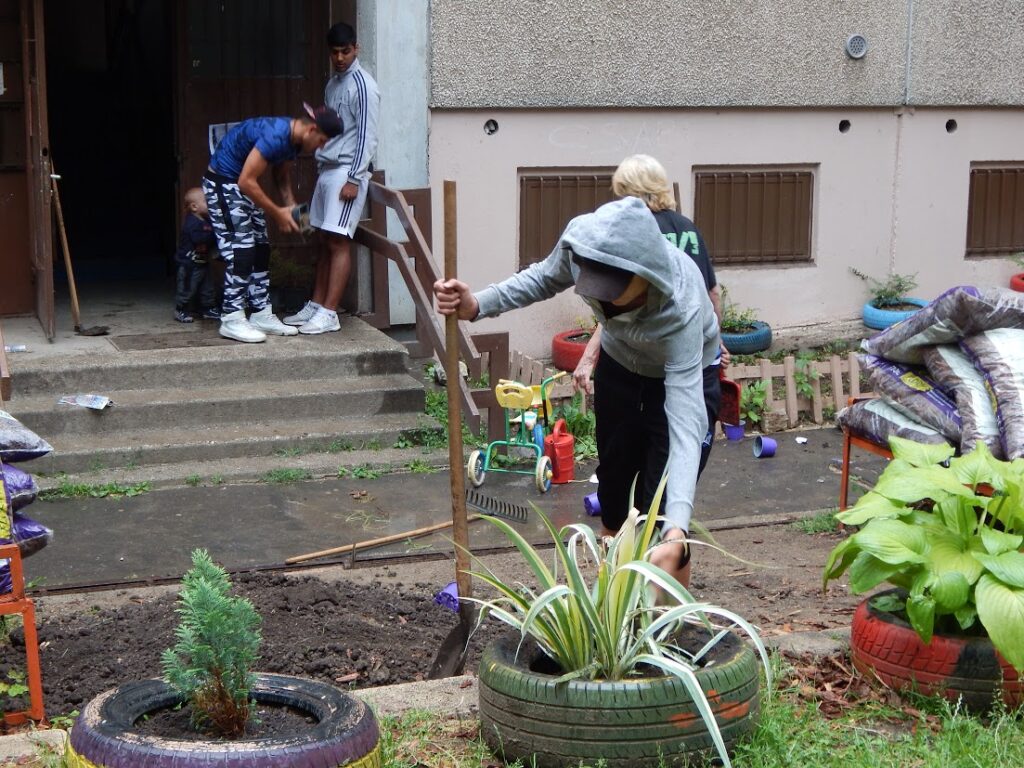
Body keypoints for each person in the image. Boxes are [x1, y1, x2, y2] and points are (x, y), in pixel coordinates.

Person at [433, 197, 719, 586]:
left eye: (612, 290)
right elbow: (540, 279)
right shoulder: (586, 252)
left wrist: (677, 533)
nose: (600, 299)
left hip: (683, 376)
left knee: (662, 512)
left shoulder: (681, 305)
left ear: (645, 275)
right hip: (621, 368)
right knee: (616, 498)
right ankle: (613, 616)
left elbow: (686, 421)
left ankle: (669, 624)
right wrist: (476, 304)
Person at [574, 154, 728, 486]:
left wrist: (590, 355)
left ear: (633, 192)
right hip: (690, 357)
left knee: (632, 454)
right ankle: (665, 523)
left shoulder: (635, 236)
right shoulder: (688, 229)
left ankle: (639, 526)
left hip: (645, 365)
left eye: (622, 192)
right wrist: (715, 341)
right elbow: (711, 294)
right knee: (672, 452)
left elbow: (623, 309)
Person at [203, 106, 342, 343]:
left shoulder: (294, 142)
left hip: (241, 186)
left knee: (261, 248)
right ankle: (231, 317)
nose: (321, 148)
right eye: (321, 141)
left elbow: (280, 176)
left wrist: (292, 209)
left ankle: (260, 313)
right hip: (224, 184)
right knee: (241, 250)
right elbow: (246, 181)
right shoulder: (276, 135)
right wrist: (278, 213)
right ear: (311, 129)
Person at [284, 22, 380, 334]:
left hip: (346, 172)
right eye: (335, 52)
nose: (340, 58)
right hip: (327, 170)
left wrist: (354, 177)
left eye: (346, 51)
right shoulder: (332, 84)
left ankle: (329, 312)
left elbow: (367, 135)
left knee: (338, 240)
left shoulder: (364, 85)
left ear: (356, 48)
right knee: (322, 239)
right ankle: (317, 303)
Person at [173, 188, 220, 324]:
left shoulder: (206, 221)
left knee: (208, 287)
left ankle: (208, 308)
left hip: (203, 263)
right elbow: (199, 239)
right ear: (194, 206)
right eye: (206, 201)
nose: (210, 203)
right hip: (189, 265)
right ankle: (180, 309)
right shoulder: (192, 223)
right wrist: (214, 233)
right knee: (187, 288)